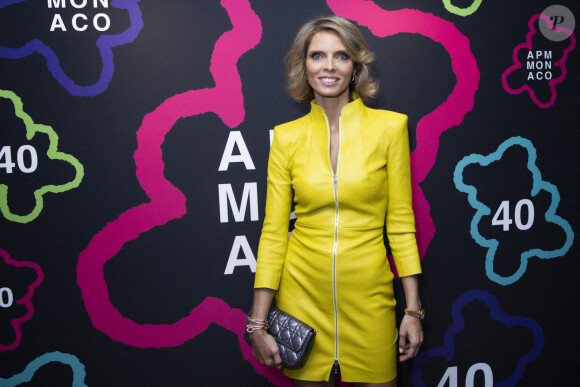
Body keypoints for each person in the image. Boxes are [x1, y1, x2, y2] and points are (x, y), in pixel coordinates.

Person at [247, 16, 424, 386]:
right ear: (304, 65)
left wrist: (413, 310)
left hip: (370, 300)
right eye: (317, 56)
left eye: (340, 56)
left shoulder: (390, 128)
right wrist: (257, 324)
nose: (328, 66)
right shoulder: (285, 138)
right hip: (302, 303)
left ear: (355, 66)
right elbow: (274, 233)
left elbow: (402, 224)